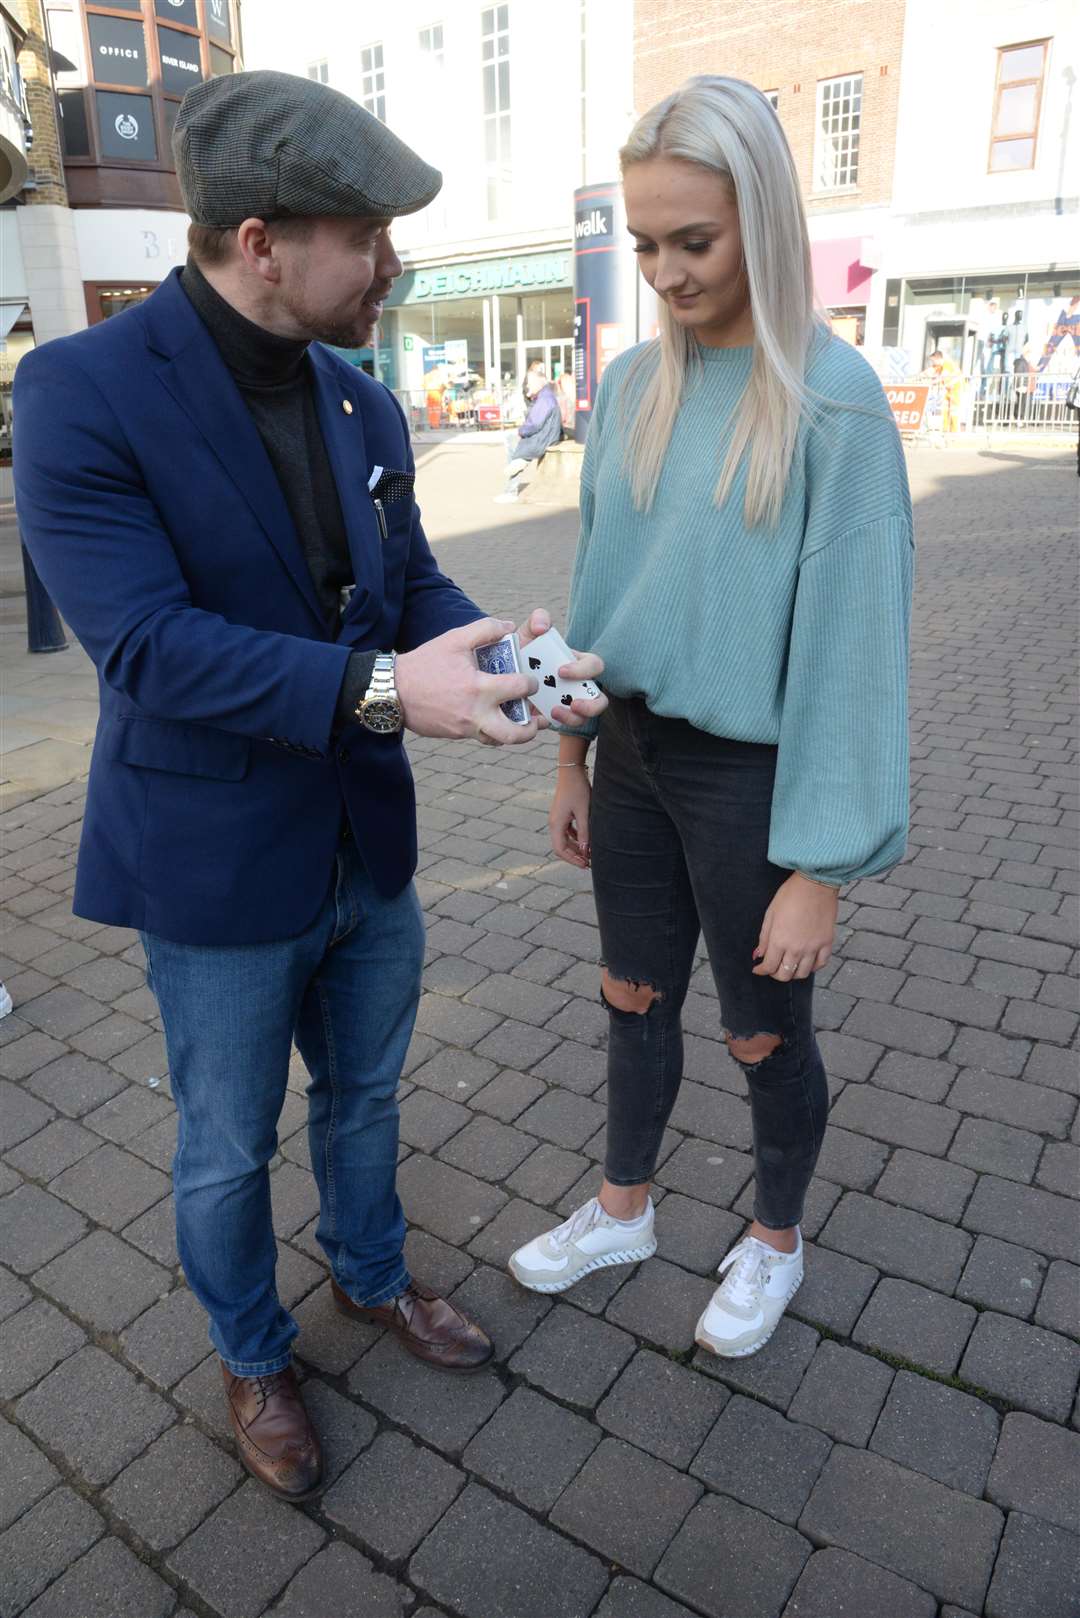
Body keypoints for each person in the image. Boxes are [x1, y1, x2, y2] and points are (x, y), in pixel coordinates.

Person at [14, 69, 604, 1503]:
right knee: (226, 1146)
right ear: (262, 237)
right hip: (213, 861)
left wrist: (506, 643)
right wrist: (400, 691)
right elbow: (149, 646)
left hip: (364, 840)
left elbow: (400, 584)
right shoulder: (79, 389)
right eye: (369, 236)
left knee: (365, 1097)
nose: (391, 266)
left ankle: (371, 1275)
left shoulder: (358, 397)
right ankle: (252, 1351)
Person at [509, 75, 913, 1361]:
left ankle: (776, 1240)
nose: (667, 272)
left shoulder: (834, 406)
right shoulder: (634, 387)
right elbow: (597, 580)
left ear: (769, 224)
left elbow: (855, 650)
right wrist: (573, 752)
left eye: (695, 240)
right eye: (645, 244)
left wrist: (821, 868)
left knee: (759, 1028)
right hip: (628, 753)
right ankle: (624, 1210)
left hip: (756, 782)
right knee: (632, 995)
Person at [494, 360, 564, 502]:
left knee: (512, 442)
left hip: (544, 437)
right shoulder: (544, 394)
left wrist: (521, 432)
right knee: (512, 441)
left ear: (540, 382)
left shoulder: (545, 398)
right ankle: (517, 462)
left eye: (530, 384)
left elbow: (534, 423)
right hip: (546, 434)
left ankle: (511, 490)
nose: (528, 386)